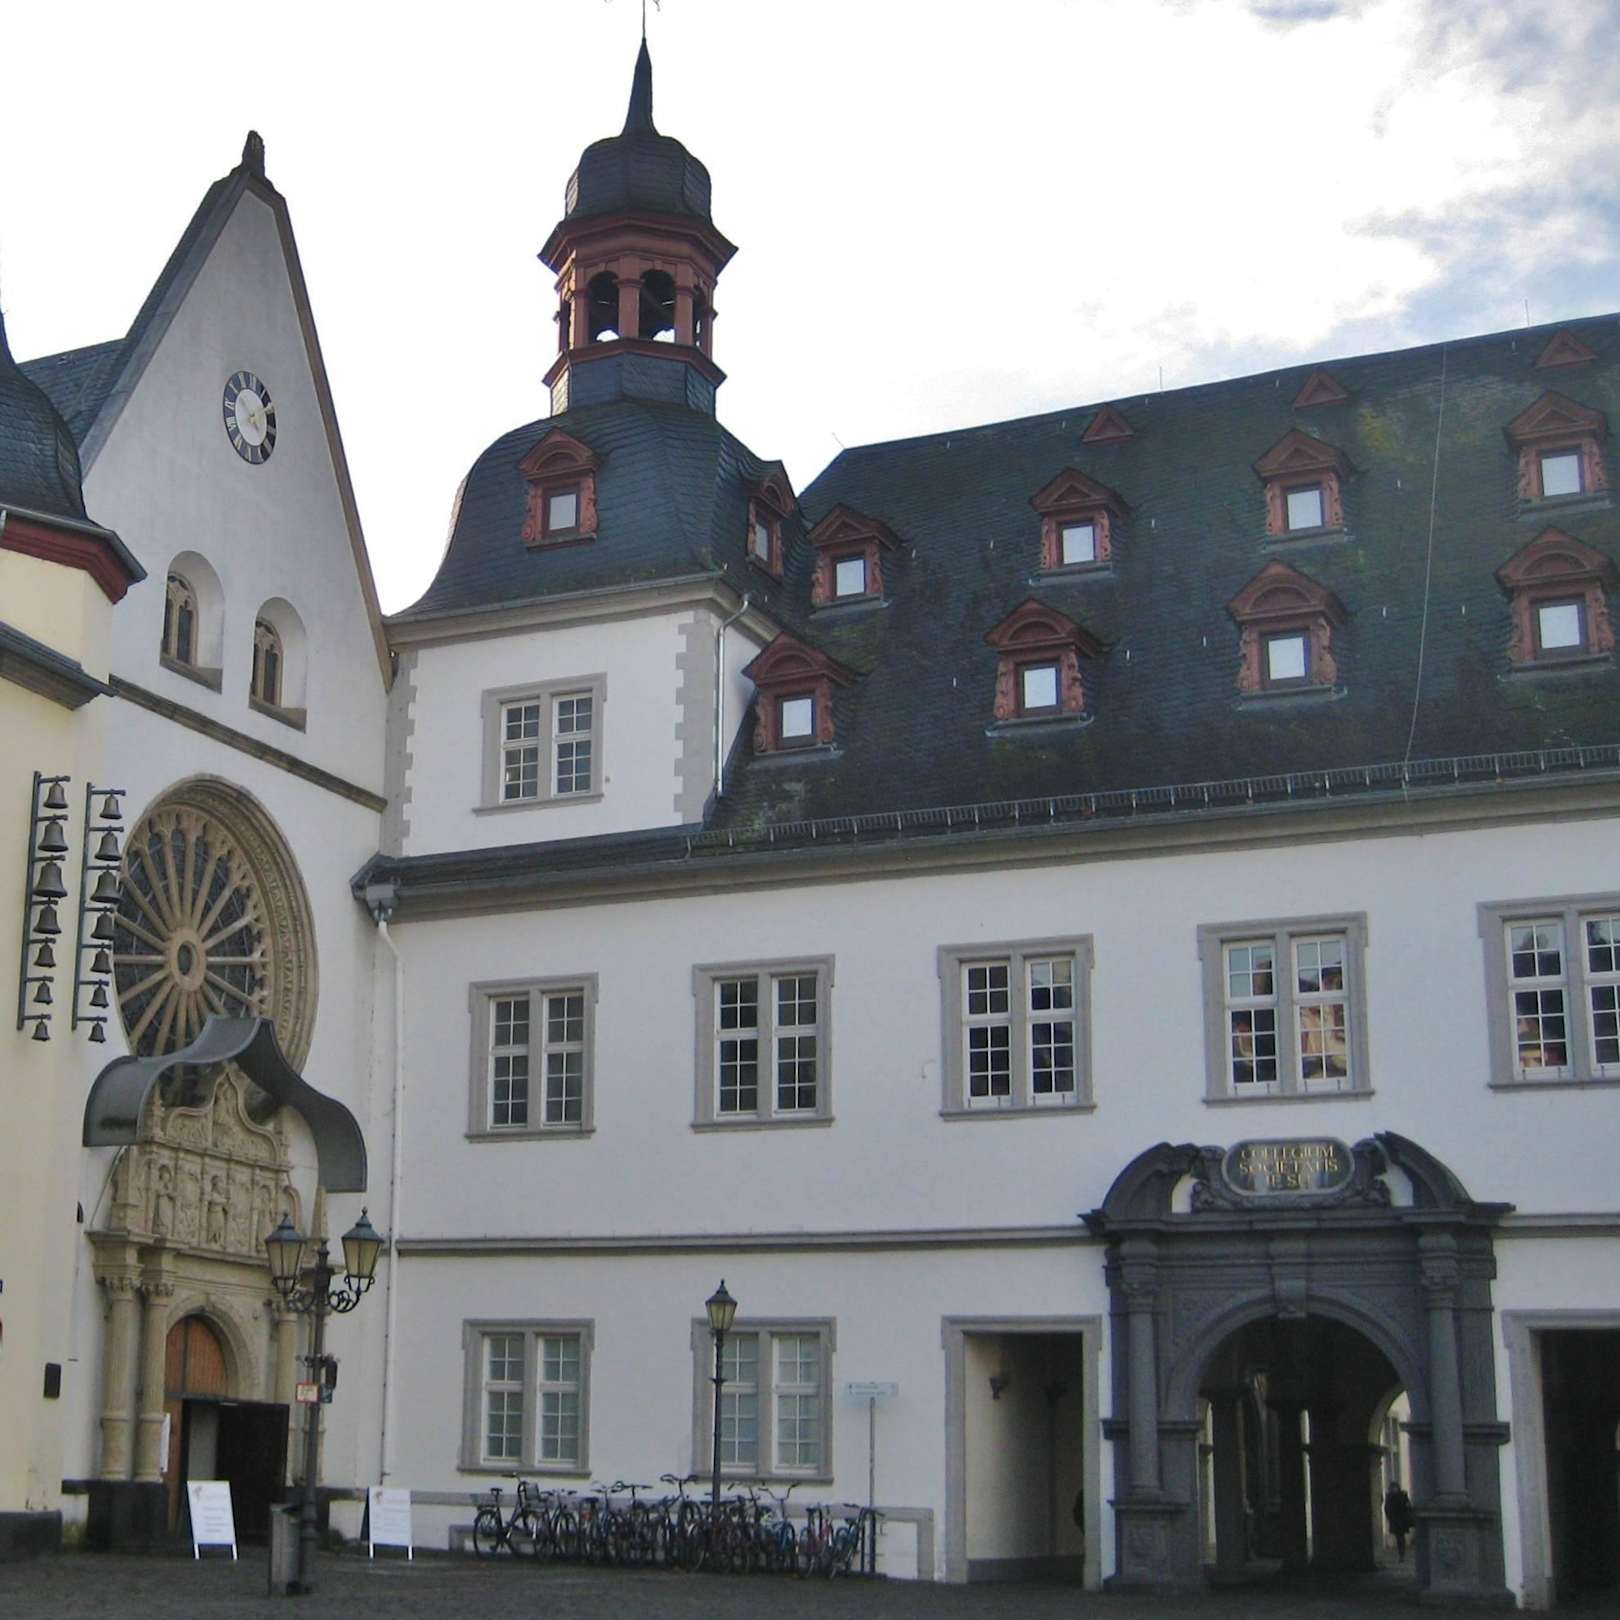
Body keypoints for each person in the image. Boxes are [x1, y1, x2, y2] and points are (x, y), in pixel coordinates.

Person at [1384, 1483, 1414, 1560]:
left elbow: (1408, 1506)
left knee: (1401, 1537)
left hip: (1402, 1519)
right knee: (1398, 1537)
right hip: (1395, 1520)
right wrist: (1389, 1517)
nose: (1394, 1489)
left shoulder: (1403, 1495)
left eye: (1395, 1488)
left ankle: (1402, 1554)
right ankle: (1401, 1554)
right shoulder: (1389, 1497)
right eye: (1393, 1488)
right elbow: (1386, 1508)